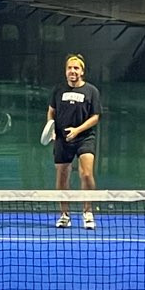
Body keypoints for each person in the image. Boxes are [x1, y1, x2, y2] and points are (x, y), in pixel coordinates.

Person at [47, 54, 100, 229]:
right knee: (62, 176)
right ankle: (64, 215)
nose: (72, 71)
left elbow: (95, 117)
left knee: (86, 174)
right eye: (69, 68)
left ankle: (88, 213)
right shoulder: (58, 90)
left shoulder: (91, 91)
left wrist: (77, 130)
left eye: (76, 68)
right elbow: (51, 112)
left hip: (85, 137)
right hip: (62, 139)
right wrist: (51, 128)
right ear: (66, 71)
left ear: (82, 71)